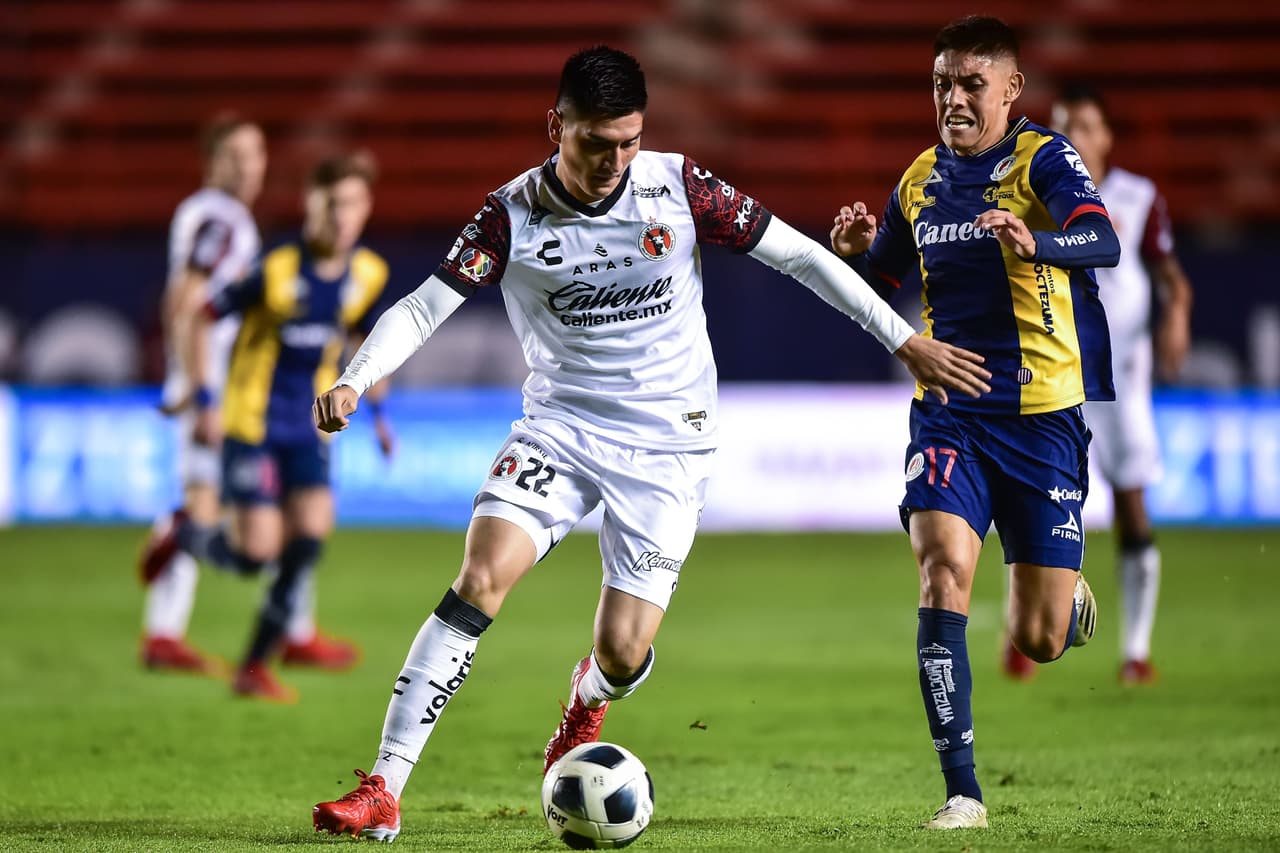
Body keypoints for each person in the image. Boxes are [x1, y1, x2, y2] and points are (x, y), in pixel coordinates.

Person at [310, 45, 991, 842]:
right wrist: (356, 378)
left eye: (629, 141)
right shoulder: (511, 215)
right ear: (556, 127)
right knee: (480, 576)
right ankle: (384, 787)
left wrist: (902, 338)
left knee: (624, 650)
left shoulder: (679, 188)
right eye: (597, 143)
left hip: (670, 442)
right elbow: (425, 307)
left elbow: (802, 257)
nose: (615, 162)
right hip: (560, 427)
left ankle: (588, 696)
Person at [829, 17, 1120, 829]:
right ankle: (964, 791)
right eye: (941, 84)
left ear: (1011, 89)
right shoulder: (919, 180)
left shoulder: (1043, 158)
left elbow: (1102, 239)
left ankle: (1061, 590)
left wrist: (1039, 242)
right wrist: (856, 256)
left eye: (971, 84)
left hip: (1041, 417)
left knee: (1039, 638)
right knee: (942, 568)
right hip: (950, 413)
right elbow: (882, 281)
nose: (953, 99)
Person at [159, 151, 393, 701]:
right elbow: (200, 317)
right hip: (252, 424)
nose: (341, 217)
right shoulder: (275, 269)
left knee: (310, 534)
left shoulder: (368, 273)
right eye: (331, 204)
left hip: (310, 427)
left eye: (352, 205)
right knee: (256, 553)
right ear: (311, 206)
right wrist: (205, 397)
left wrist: (381, 415)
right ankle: (186, 535)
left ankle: (254, 665)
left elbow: (363, 337)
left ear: (366, 209)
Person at [1000, 84, 1193, 686]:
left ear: (1107, 137)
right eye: (1063, 125)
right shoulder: (1036, 188)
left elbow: (1169, 276)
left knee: (1131, 502)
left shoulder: (1138, 197)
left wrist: (1177, 316)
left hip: (1122, 369)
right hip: (1054, 365)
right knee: (1032, 497)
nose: (1073, 137)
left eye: (1084, 126)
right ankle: (1023, 632)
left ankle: (1135, 650)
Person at [137, 113, 265, 675]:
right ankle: (166, 628)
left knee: (217, 500)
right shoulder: (221, 218)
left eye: (255, 154)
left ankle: (164, 634)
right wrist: (200, 388)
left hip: (209, 377)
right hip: (214, 382)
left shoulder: (204, 213)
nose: (248, 167)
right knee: (219, 505)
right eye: (235, 155)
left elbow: (177, 298)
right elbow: (189, 298)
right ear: (212, 161)